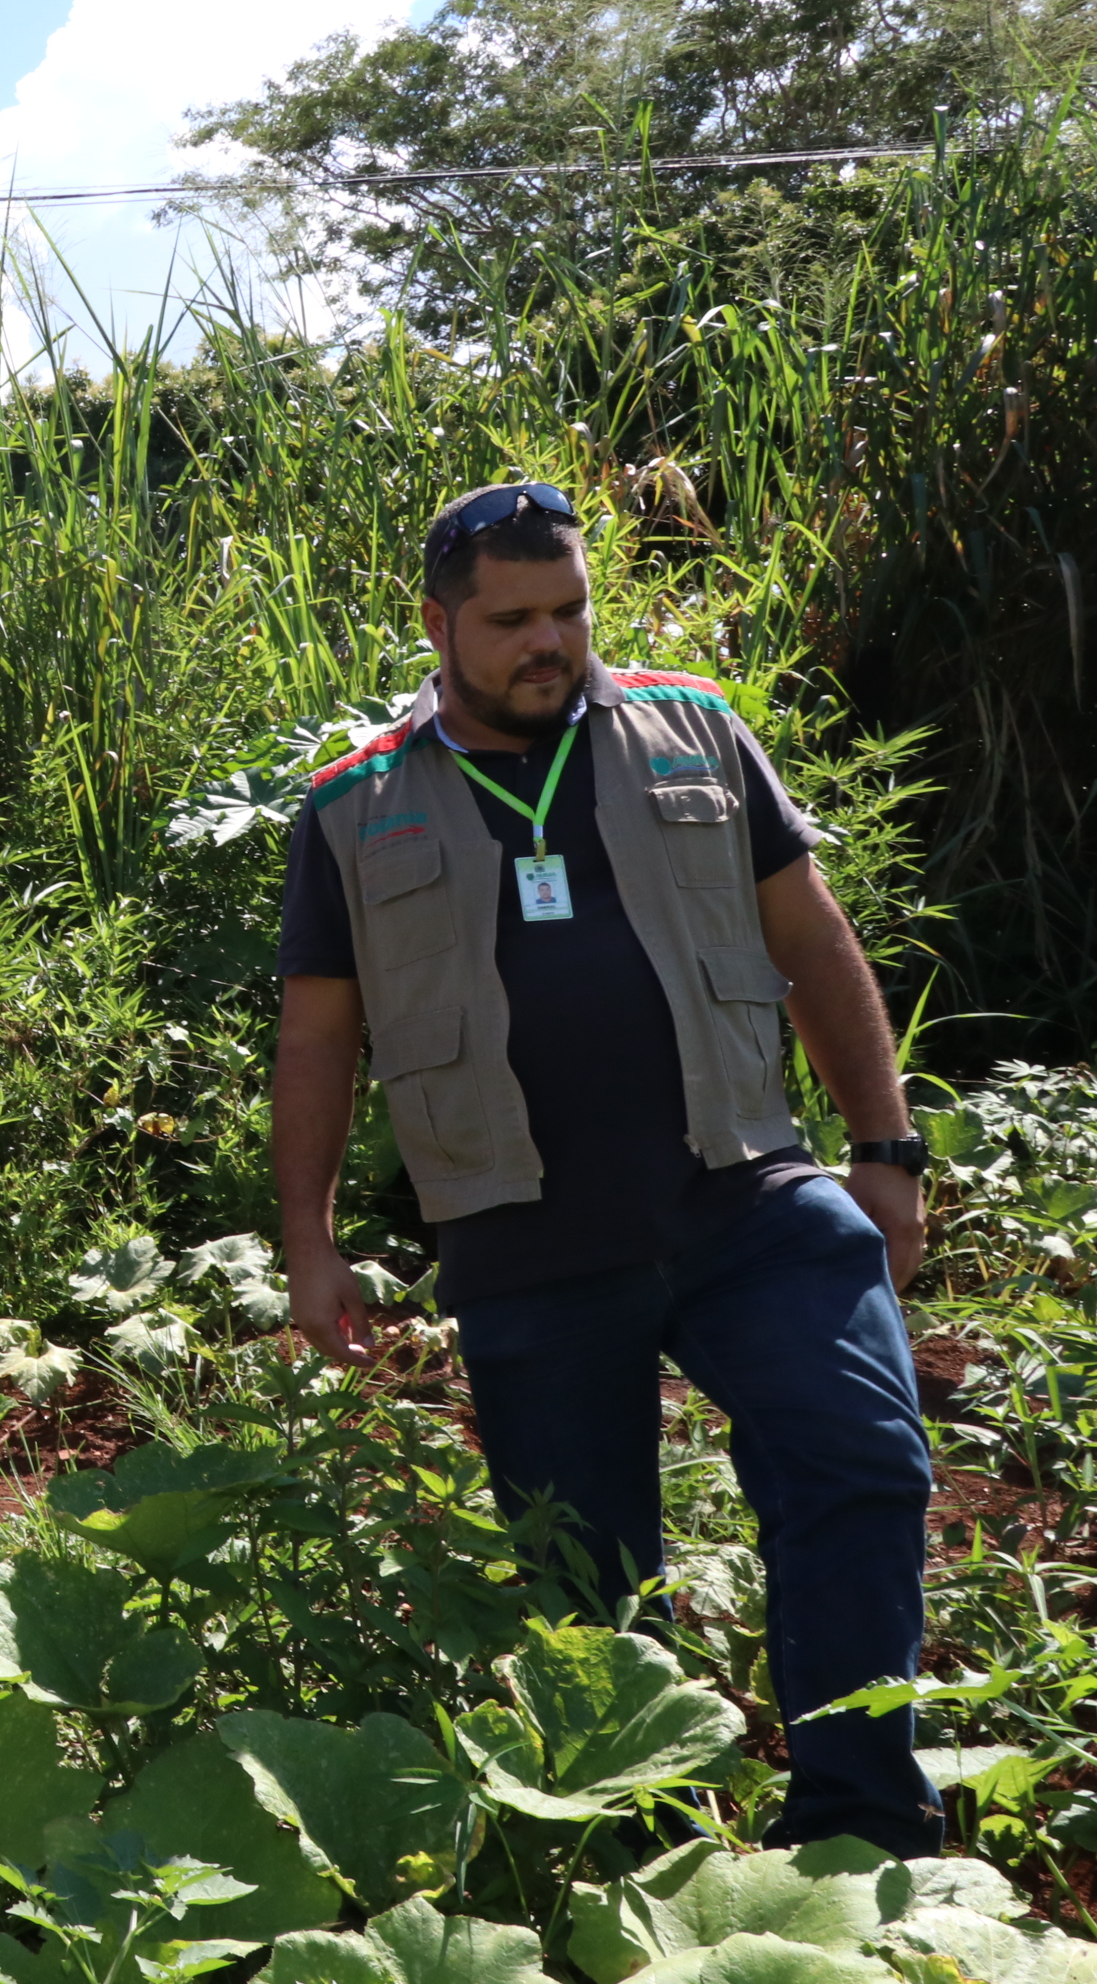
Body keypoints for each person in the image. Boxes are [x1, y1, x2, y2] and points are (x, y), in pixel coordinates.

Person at [271, 480, 940, 1855]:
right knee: (589, 1588)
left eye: (568, 610)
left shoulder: (693, 728)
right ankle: (641, 1863)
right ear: (439, 623)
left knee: (861, 1462)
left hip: (746, 1192)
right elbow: (319, 1036)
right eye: (512, 619)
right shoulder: (353, 805)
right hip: (525, 1239)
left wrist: (886, 1147)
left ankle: (861, 1822)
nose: (548, 642)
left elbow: (812, 942)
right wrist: (308, 1238)